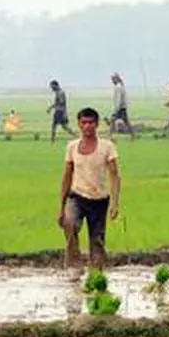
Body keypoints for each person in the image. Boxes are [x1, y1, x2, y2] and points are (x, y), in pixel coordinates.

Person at [58, 107, 121, 270]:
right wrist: (61, 207)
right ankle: (74, 266)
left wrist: (115, 203)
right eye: (84, 122)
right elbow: (67, 175)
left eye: (91, 122)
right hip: (76, 196)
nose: (87, 126)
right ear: (79, 124)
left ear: (97, 124)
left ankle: (97, 276)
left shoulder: (107, 147)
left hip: (99, 199)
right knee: (69, 224)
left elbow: (114, 175)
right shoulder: (72, 147)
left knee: (97, 241)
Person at [108, 73, 135, 139]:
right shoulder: (121, 86)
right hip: (122, 107)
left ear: (116, 79)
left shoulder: (118, 87)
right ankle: (132, 135)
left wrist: (116, 109)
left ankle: (109, 136)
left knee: (113, 121)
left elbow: (118, 99)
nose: (112, 81)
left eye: (113, 79)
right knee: (126, 122)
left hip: (120, 108)